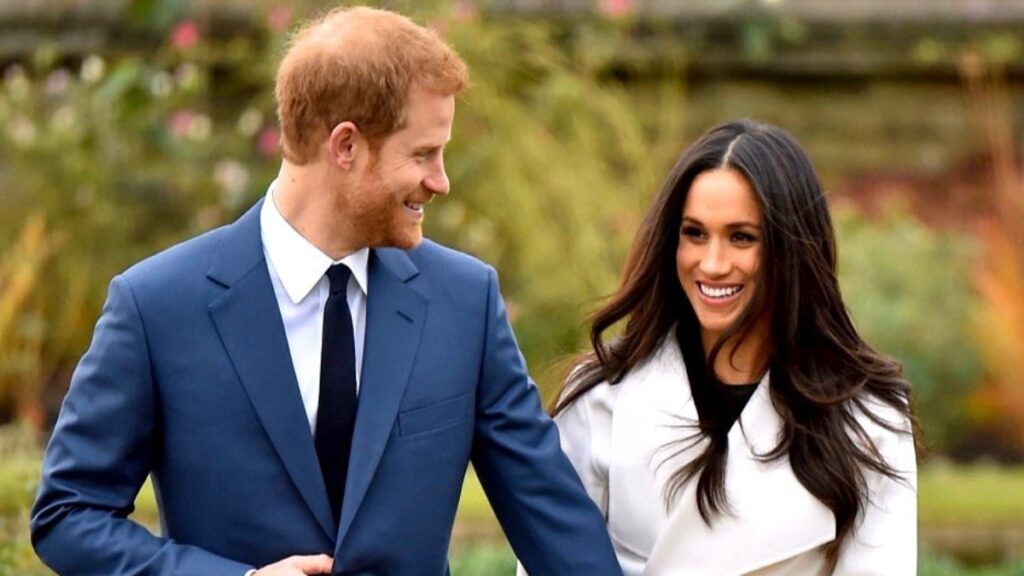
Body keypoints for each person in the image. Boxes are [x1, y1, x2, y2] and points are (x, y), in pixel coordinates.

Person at [30, 7, 622, 576]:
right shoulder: (156, 306)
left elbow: (559, 530)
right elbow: (68, 514)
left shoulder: (465, 303)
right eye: (423, 154)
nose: (441, 181)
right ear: (345, 146)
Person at [545, 120, 918, 575]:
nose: (713, 264)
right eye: (695, 234)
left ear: (791, 250)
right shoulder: (602, 398)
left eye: (742, 237)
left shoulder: (867, 420)